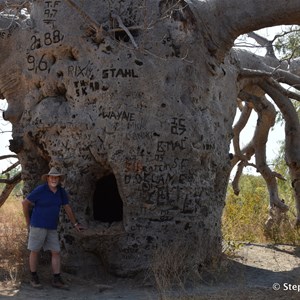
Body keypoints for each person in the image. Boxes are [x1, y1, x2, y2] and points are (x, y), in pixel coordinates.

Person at [22, 167, 84, 289]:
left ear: (59, 179)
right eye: (52, 177)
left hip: (52, 227)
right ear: (48, 178)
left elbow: (67, 207)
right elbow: (25, 203)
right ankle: (33, 277)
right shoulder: (41, 190)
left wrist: (75, 224)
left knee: (55, 251)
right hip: (38, 225)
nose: (54, 179)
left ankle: (56, 279)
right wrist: (28, 222)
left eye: (56, 177)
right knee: (35, 251)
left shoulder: (61, 191)